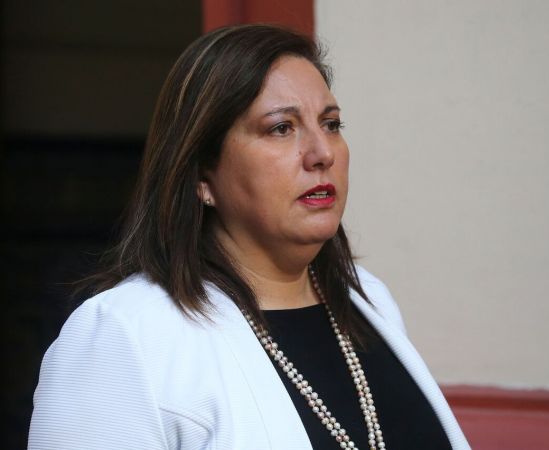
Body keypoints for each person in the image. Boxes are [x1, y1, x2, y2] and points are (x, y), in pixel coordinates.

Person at [28, 24, 470, 450]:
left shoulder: (368, 300)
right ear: (202, 174)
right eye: (281, 128)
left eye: (331, 124)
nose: (321, 153)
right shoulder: (126, 336)